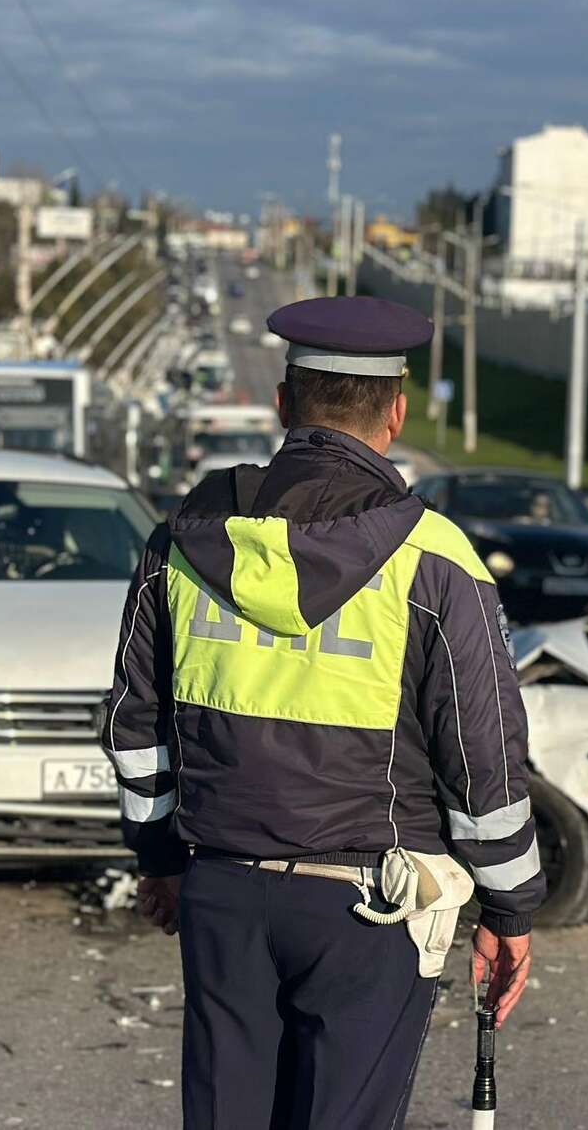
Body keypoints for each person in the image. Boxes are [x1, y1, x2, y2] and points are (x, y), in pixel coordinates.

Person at [103, 296, 546, 1129]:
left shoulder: (184, 541)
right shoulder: (437, 561)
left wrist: (159, 856)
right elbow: (483, 759)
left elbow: (135, 726)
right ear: (396, 413)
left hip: (223, 891)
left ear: (283, 402)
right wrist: (509, 905)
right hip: (371, 910)